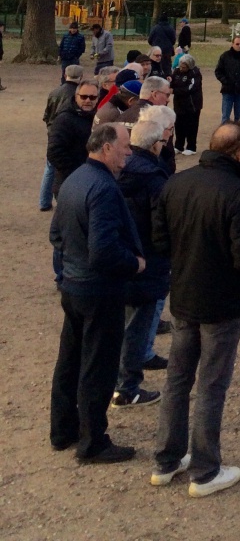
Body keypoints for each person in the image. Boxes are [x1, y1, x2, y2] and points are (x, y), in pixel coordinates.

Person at [151, 123, 240, 497]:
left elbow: (160, 240)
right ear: (239, 151)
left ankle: (167, 459)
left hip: (184, 293)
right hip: (220, 302)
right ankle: (204, 469)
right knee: (212, 384)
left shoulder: (175, 184)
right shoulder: (238, 193)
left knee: (178, 379)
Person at [49, 122, 145, 462]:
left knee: (70, 361)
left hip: (74, 286)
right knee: (98, 367)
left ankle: (63, 431)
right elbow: (102, 251)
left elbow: (56, 235)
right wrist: (134, 264)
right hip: (98, 290)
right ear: (106, 148)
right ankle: (93, 443)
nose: (129, 153)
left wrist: (67, 273)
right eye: (124, 147)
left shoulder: (75, 179)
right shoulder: (103, 188)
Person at [113, 121, 172, 408]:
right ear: (154, 144)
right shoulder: (153, 178)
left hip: (122, 256)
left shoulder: (117, 169)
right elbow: (161, 222)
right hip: (147, 259)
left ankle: (117, 382)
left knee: (122, 324)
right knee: (138, 327)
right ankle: (128, 387)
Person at [40, 64, 85, 211]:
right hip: (66, 134)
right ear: (81, 77)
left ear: (66, 75)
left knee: (49, 169)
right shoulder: (77, 96)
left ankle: (44, 201)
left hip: (52, 131)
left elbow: (47, 115)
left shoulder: (54, 92)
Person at [48, 79, 102, 198]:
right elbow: (53, 152)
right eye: (84, 97)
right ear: (76, 96)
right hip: (69, 182)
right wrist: (77, 172)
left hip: (89, 179)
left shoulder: (96, 116)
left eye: (92, 97)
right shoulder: (64, 119)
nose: (88, 100)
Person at [215, 34, 240, 124]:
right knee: (225, 116)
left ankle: (238, 135)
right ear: (232, 44)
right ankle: (224, 135)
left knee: (239, 116)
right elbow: (218, 71)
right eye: (237, 44)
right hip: (227, 91)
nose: (239, 46)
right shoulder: (225, 56)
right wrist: (225, 81)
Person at [171, 54, 204, 155]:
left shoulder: (195, 73)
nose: (181, 68)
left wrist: (174, 90)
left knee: (191, 126)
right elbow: (171, 83)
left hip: (192, 105)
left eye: (184, 67)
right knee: (179, 125)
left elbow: (190, 88)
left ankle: (191, 147)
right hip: (179, 104)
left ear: (189, 66)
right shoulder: (176, 72)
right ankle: (178, 146)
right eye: (180, 66)